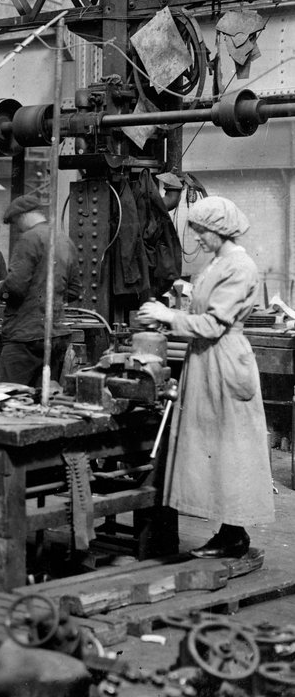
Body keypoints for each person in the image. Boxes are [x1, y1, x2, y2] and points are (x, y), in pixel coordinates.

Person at [138, 196, 273, 559]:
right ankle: (227, 531)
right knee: (211, 448)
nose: (196, 238)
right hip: (206, 359)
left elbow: (214, 324)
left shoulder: (239, 266)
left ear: (219, 229)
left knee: (230, 449)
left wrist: (168, 318)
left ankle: (234, 535)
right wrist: (169, 312)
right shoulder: (216, 264)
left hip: (225, 362)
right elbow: (200, 314)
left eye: (200, 231)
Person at [0, 195, 82, 386]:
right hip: (55, 335)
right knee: (42, 398)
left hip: (25, 336)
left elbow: (15, 288)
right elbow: (74, 290)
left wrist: (0, 288)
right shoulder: (65, 241)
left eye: (16, 223)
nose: (17, 229)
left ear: (23, 216)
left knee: (6, 394)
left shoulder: (29, 239)